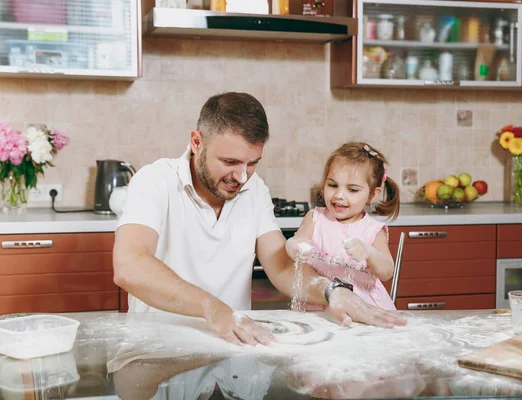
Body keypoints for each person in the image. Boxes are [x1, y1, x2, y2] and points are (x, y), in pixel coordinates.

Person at [113, 92, 406, 346]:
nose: (241, 176)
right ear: (196, 141)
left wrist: (331, 291)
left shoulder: (254, 189)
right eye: (229, 162)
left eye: (252, 163)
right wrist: (210, 307)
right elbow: (130, 266)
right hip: (157, 347)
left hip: (234, 347)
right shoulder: (155, 181)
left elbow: (281, 268)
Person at [286, 142, 400, 311]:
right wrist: (294, 247)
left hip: (362, 308)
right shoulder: (315, 218)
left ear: (372, 195)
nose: (339, 195)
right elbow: (296, 242)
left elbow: (386, 271)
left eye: (352, 190)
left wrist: (369, 252)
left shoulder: (372, 230)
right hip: (319, 302)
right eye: (332, 185)